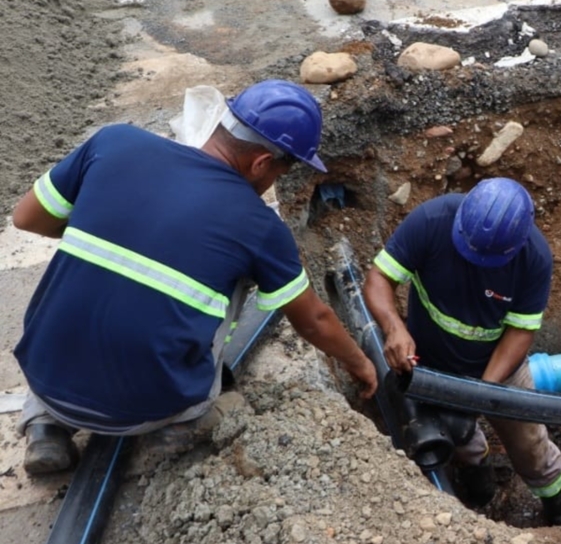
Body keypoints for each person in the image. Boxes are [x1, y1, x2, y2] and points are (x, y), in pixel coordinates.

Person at [11, 79, 377, 475]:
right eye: (284, 169)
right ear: (260, 163)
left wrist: (107, 230)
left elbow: (26, 217)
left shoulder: (113, 142)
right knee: (238, 276)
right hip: (145, 410)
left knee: (82, 266)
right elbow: (314, 320)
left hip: (43, 376)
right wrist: (361, 363)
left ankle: (46, 427)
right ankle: (186, 420)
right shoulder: (258, 225)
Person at [363, 177, 561, 526]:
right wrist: (393, 327)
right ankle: (479, 493)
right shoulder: (431, 221)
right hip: (431, 364)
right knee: (458, 438)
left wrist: (479, 395)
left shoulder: (534, 257)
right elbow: (378, 279)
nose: (475, 262)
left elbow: (521, 331)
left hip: (500, 371)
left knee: (531, 449)